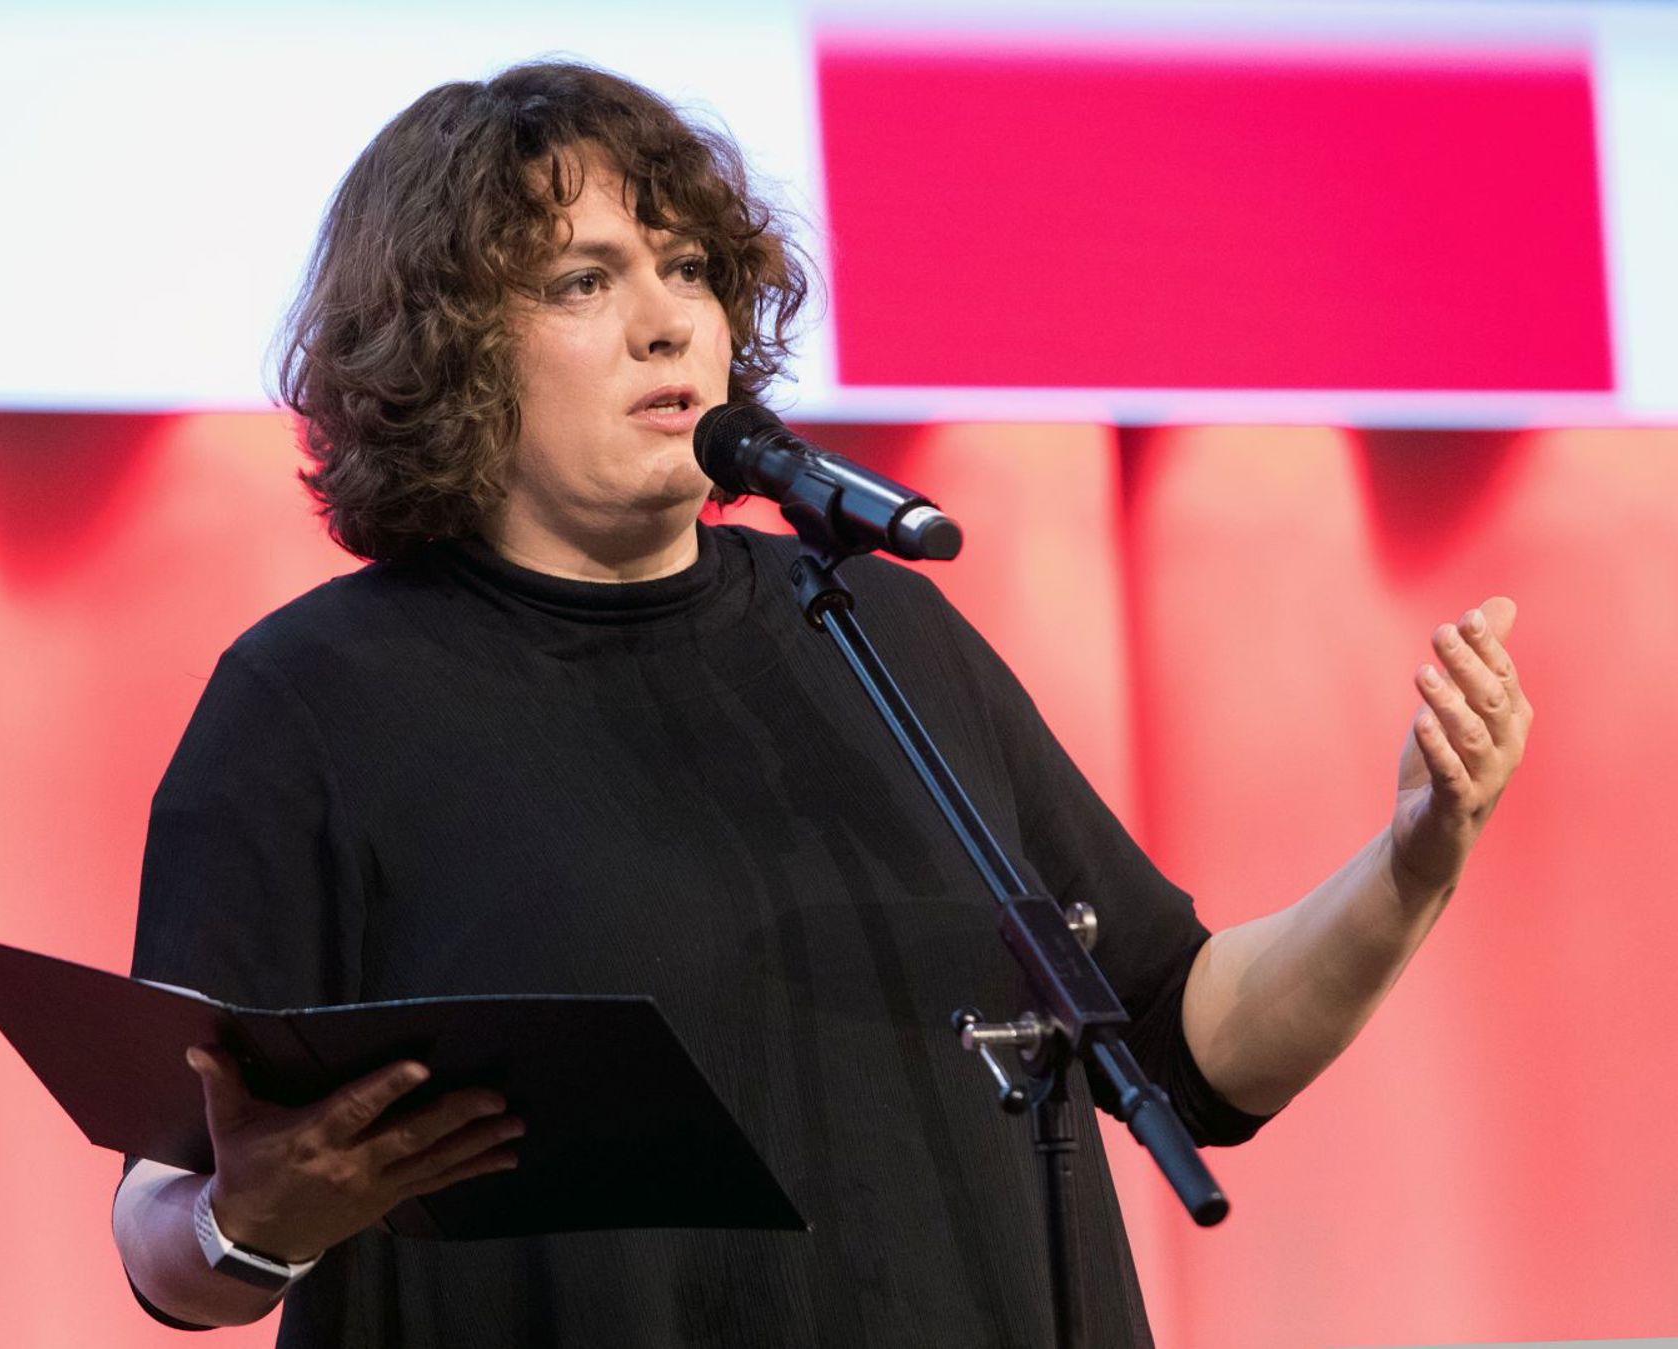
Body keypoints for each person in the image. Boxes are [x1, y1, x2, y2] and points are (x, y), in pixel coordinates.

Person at [110, 61, 1532, 1347]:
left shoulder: (875, 630)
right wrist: (252, 1220)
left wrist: (1411, 864)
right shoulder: (316, 698)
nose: (668, 322)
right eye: (583, 282)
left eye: (688, 269)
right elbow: (162, 1225)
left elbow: (1190, 1038)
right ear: (445, 348)